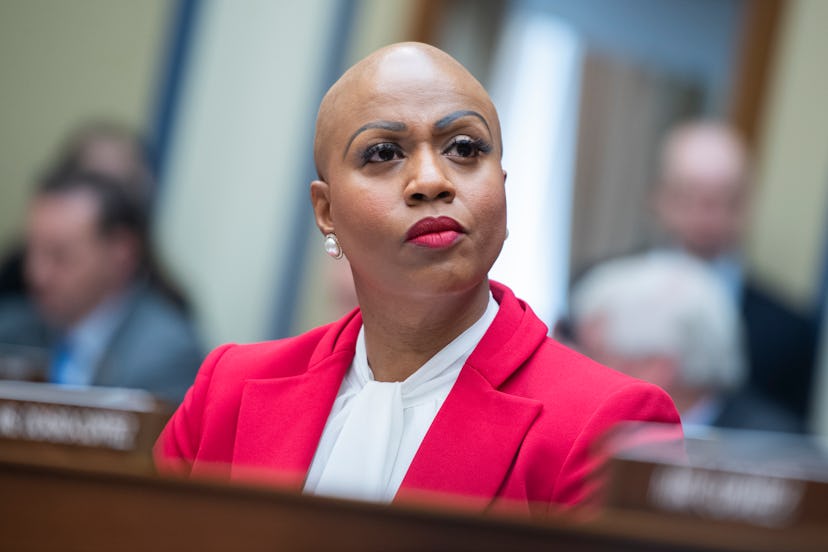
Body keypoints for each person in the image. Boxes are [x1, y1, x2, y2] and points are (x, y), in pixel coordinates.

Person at [154, 43, 680, 513]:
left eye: (465, 149)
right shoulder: (228, 387)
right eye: (383, 152)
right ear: (326, 210)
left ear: (501, 186)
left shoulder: (611, 424)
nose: (431, 180)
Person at [652, 120, 818, 424]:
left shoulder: (788, 331)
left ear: (746, 205)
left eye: (723, 199)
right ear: (662, 196)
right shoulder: (596, 295)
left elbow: (787, 449)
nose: (704, 213)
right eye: (689, 194)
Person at [0, 169, 202, 404]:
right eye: (32, 251)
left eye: (60, 255)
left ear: (121, 255)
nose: (38, 274)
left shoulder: (165, 354)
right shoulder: (11, 330)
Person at [569, 252, 804, 434]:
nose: (582, 370)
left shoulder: (772, 454)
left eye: (595, 355)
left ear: (656, 368)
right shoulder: (602, 435)